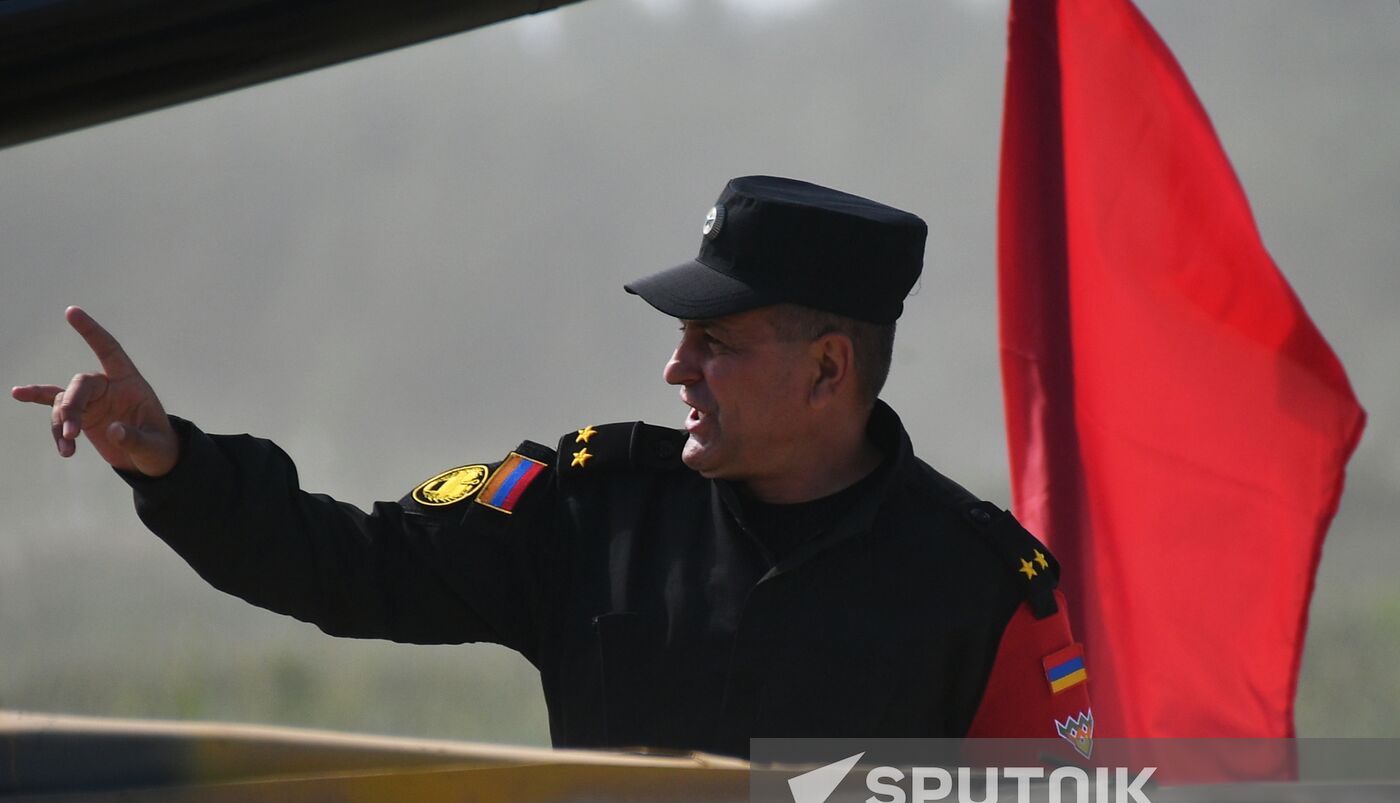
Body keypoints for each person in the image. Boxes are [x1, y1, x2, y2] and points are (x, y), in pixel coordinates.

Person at [12, 176, 1092, 760]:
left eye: (716, 341)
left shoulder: (983, 584)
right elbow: (348, 560)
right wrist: (170, 461)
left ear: (826, 368)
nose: (675, 366)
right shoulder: (588, 506)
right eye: (680, 335)